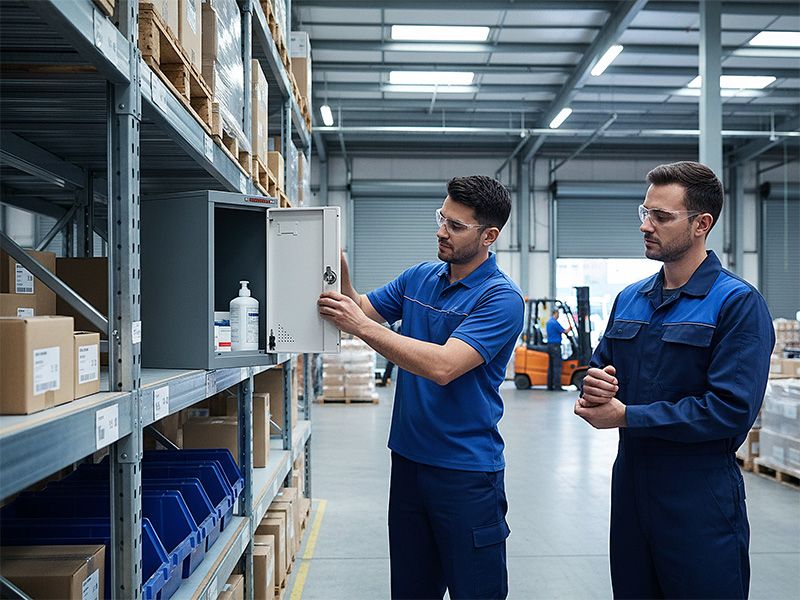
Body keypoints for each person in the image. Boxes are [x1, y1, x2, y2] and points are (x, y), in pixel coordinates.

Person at [318, 175, 524, 599]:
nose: (441, 231)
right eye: (441, 218)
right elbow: (364, 309)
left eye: (455, 225)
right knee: (411, 590)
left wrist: (358, 327)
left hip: (466, 474)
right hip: (409, 464)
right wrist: (340, 276)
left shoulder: (501, 299)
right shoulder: (420, 278)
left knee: (476, 591)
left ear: (489, 236)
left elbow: (445, 366)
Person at [574, 161, 773, 599]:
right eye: (644, 213)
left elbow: (731, 410)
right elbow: (598, 368)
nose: (646, 225)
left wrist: (628, 416)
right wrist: (591, 388)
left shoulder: (736, 303)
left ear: (702, 224)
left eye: (661, 217)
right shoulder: (630, 298)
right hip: (630, 490)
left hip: (698, 495)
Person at [545, 308, 571, 391]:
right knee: (557, 366)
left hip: (550, 346)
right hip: (555, 347)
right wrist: (571, 327)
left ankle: (550, 386)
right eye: (558, 314)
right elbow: (565, 331)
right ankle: (557, 386)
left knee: (551, 366)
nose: (558, 315)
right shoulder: (554, 323)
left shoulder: (549, 322)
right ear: (555, 313)